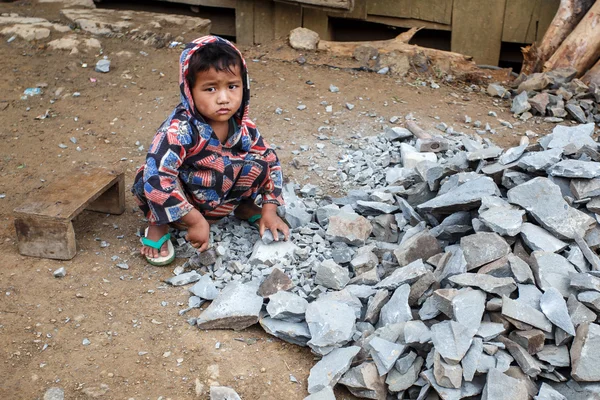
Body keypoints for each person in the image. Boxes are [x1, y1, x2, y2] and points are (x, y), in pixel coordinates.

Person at [132, 35, 289, 266]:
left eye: (232, 86)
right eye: (210, 88)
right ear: (189, 90)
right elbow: (159, 179)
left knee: (260, 160)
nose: (224, 98)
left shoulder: (244, 127)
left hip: (220, 198)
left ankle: (245, 208)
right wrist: (194, 220)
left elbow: (271, 162)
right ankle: (158, 224)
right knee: (150, 175)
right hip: (184, 203)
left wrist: (270, 208)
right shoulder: (180, 131)